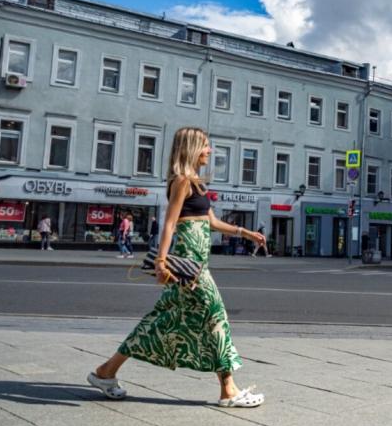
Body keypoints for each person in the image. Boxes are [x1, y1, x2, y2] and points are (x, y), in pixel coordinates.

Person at [87, 127, 267, 408]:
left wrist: (246, 233)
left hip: (197, 261)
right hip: (188, 265)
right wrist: (161, 262)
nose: (210, 151)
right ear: (192, 149)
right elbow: (169, 223)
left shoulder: (197, 183)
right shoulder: (181, 182)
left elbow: (213, 223)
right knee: (216, 314)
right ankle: (228, 390)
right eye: (206, 146)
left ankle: (106, 371)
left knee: (161, 319)